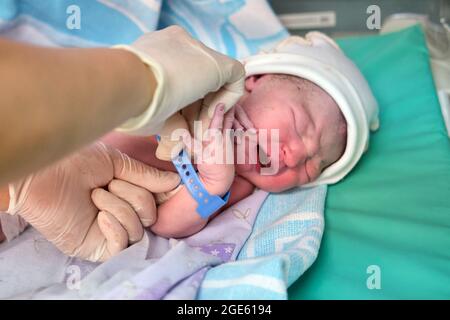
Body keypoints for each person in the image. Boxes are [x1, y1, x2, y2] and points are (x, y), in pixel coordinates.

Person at [0, 26, 245, 261]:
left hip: (42, 202)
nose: (283, 154)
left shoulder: (235, 180)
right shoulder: (198, 87)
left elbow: (166, 223)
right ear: (255, 81)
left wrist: (212, 187)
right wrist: (142, 74)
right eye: (285, 120)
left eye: (283, 172)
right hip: (34, 121)